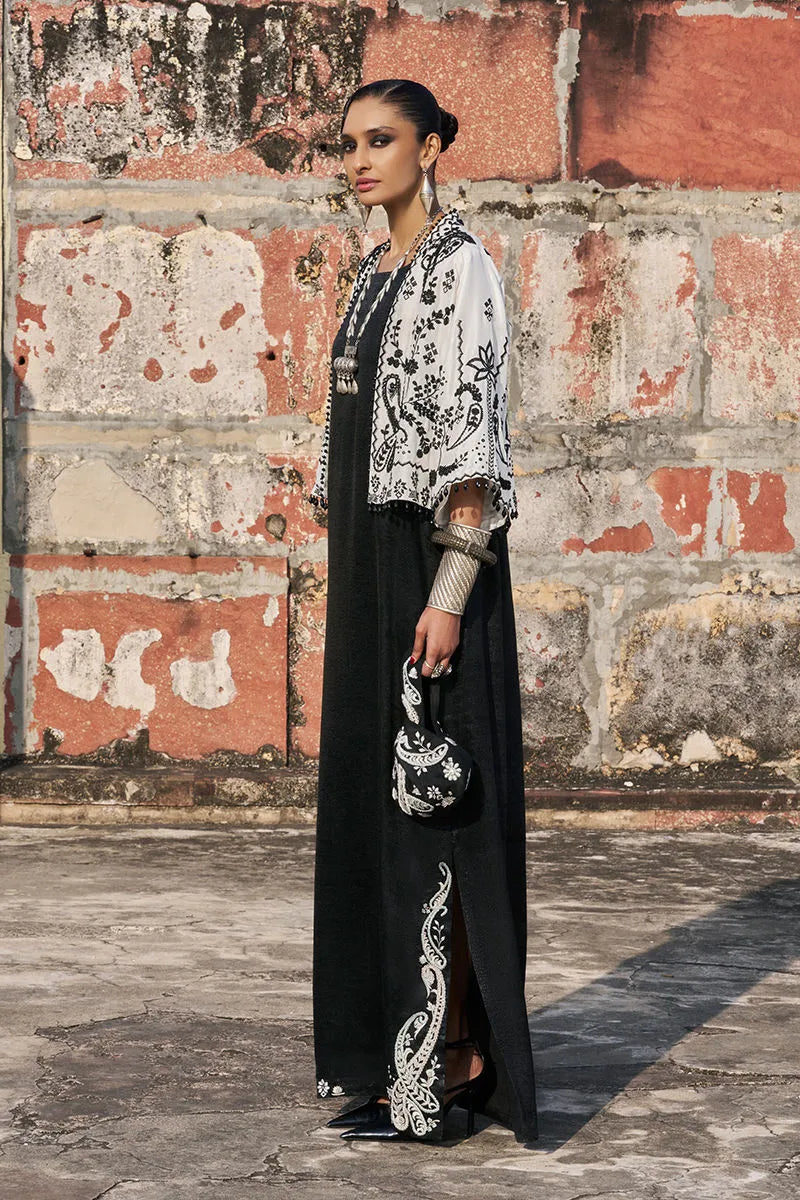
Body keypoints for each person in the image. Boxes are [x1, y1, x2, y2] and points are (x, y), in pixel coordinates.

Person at [308, 78, 538, 1144]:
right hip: (367, 572)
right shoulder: (371, 277)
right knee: (371, 818)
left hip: (432, 574)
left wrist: (448, 595)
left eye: (382, 140)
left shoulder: (463, 273)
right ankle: (384, 1057)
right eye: (347, 143)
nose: (360, 160)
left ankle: (448, 1065)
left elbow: (474, 447)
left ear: (433, 145)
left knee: (430, 825)